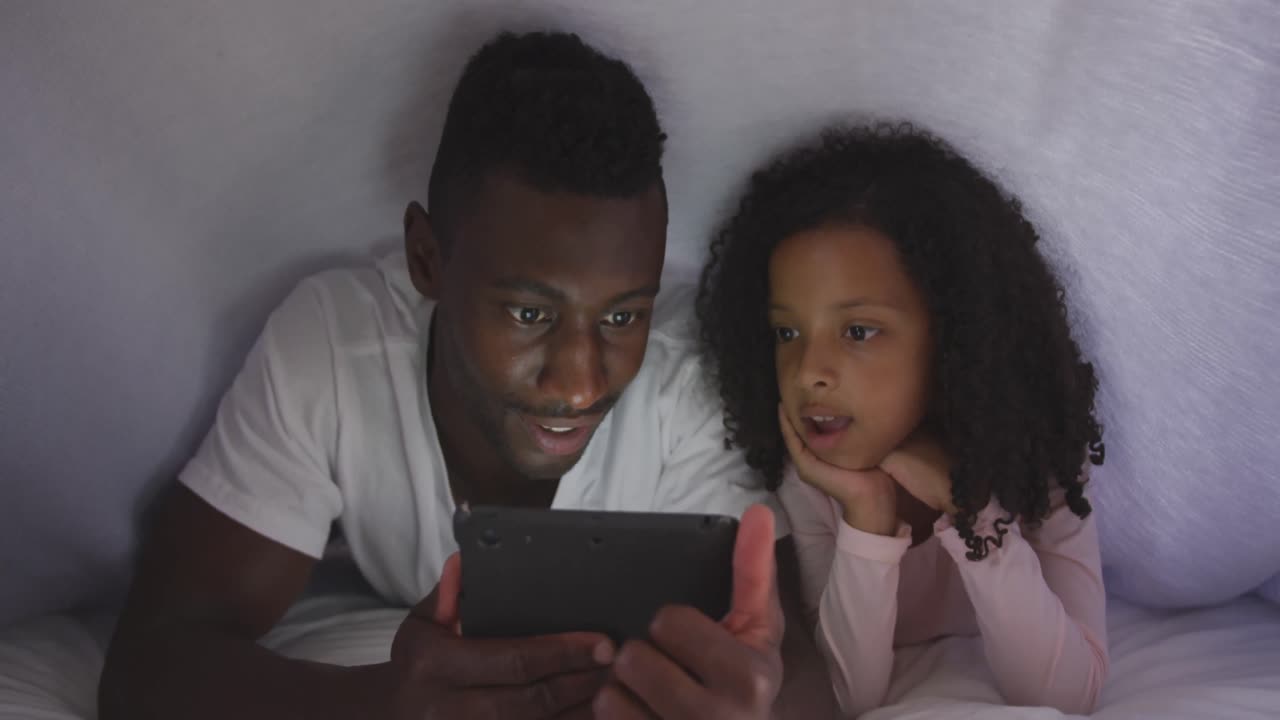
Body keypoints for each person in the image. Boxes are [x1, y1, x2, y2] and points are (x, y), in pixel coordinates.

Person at [99, 31, 831, 720]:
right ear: (428, 260)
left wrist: (753, 706)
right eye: (527, 314)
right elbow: (148, 665)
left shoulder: (686, 376)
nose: (579, 384)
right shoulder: (336, 344)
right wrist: (380, 703)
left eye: (620, 318)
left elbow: (796, 673)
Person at [696, 122, 1110, 716]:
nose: (809, 371)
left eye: (858, 331)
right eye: (787, 331)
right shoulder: (811, 481)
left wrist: (972, 513)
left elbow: (1069, 693)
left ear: (952, 336)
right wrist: (865, 514)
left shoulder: (1038, 457)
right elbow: (848, 694)